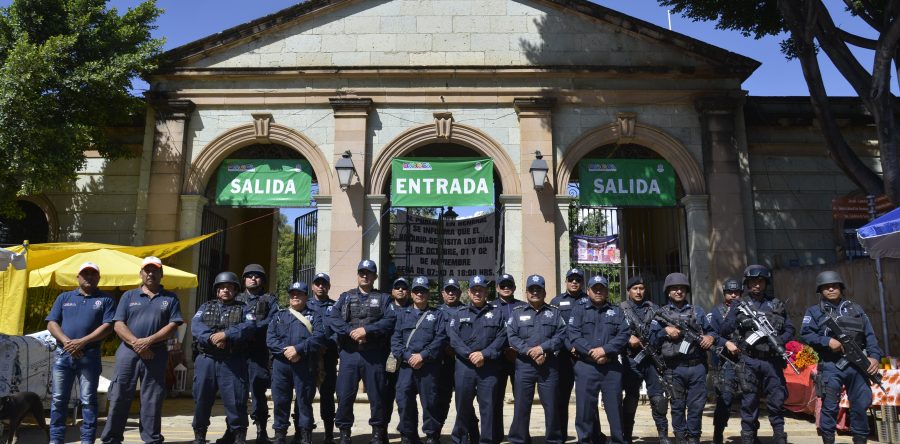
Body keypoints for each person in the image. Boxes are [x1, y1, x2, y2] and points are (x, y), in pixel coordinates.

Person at [101, 257, 184, 444]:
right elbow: (118, 324)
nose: (150, 274)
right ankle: (111, 439)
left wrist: (149, 341)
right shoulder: (128, 296)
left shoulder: (170, 298)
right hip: (128, 352)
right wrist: (138, 344)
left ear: (161, 274)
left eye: (155, 270)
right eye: (147, 270)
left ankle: (152, 439)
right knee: (119, 395)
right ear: (141, 274)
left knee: (152, 399)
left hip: (156, 353)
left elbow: (173, 325)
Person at [801, 271, 883, 444]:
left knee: (860, 405)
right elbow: (806, 335)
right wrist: (827, 341)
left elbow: (870, 335)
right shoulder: (814, 311)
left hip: (857, 366)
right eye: (826, 287)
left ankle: (860, 439)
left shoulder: (856, 309)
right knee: (830, 406)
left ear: (841, 288)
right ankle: (828, 440)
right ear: (820, 290)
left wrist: (875, 357)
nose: (831, 289)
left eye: (834, 286)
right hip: (831, 365)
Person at [720, 265, 794, 444]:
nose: (757, 285)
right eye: (753, 281)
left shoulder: (775, 304)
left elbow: (790, 329)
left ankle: (779, 436)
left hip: (772, 361)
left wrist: (779, 340)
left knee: (777, 401)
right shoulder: (739, 304)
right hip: (750, 360)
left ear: (766, 283)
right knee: (749, 402)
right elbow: (724, 329)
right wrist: (741, 321)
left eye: (760, 281)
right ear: (747, 284)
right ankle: (748, 437)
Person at [46, 262, 115, 444]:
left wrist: (82, 342)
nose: (89, 277)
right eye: (85, 273)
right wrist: (67, 343)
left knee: (88, 400)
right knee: (58, 399)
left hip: (89, 356)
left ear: (99, 278)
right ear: (78, 277)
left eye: (93, 274)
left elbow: (108, 326)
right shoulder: (64, 297)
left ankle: (87, 441)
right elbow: (52, 323)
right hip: (63, 354)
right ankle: (56, 440)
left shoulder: (106, 300)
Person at [328, 259, 396, 444]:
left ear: (375, 276)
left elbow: (390, 320)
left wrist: (367, 330)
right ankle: (344, 433)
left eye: (368, 273)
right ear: (358, 275)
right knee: (344, 395)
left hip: (374, 355)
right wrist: (351, 332)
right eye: (361, 273)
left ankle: (377, 433)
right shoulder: (345, 297)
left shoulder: (384, 299)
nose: (365, 276)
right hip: (350, 354)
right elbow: (333, 318)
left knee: (377, 396)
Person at [190, 271, 257, 444]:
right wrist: (212, 339)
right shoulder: (206, 306)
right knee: (202, 399)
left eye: (229, 287)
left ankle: (239, 436)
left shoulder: (244, 308)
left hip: (232, 361)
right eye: (222, 287)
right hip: (207, 359)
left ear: (235, 290)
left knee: (236, 400)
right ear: (217, 290)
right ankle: (199, 436)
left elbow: (250, 326)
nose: (226, 290)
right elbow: (196, 326)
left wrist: (226, 335)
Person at [651, 272, 717, 444]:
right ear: (668, 292)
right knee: (677, 406)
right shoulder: (660, 314)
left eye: (682, 288)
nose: (679, 291)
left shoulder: (697, 311)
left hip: (697, 366)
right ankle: (680, 438)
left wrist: (710, 338)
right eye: (674, 288)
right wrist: (664, 331)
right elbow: (651, 339)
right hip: (674, 368)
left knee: (696, 407)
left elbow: (711, 331)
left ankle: (694, 438)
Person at [567, 275, 629, 444]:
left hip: (611, 367)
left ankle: (618, 441)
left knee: (615, 410)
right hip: (586, 367)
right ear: (588, 291)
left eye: (602, 288)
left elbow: (624, 335)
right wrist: (591, 352)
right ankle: (585, 441)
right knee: (584, 411)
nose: (598, 291)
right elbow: (574, 335)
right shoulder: (579, 310)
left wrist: (604, 350)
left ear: (607, 291)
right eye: (595, 289)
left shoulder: (617, 311)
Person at [446, 275, 508, 444]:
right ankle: (459, 440)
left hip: (488, 368)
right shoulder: (459, 314)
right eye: (474, 290)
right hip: (465, 368)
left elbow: (502, 338)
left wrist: (484, 354)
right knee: (462, 407)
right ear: (469, 292)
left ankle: (486, 440)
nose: (478, 293)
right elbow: (454, 339)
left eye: (481, 290)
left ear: (487, 292)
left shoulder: (498, 314)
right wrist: (471, 355)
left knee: (488, 408)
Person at [505, 274, 566, 444]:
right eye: (531, 289)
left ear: (544, 292)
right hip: (525, 366)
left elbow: (561, 335)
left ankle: (553, 440)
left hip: (549, 365)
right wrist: (530, 351)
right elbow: (512, 336)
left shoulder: (554, 312)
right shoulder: (517, 313)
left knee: (552, 405)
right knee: (521, 406)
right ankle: (519, 439)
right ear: (526, 293)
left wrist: (543, 349)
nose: (535, 292)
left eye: (538, 289)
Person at [391, 276, 448, 444]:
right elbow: (396, 341)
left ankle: (431, 435)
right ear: (411, 294)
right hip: (406, 367)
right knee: (404, 401)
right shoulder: (402, 315)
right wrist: (408, 357)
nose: (420, 294)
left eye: (423, 291)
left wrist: (422, 356)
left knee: (430, 402)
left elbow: (440, 339)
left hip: (428, 367)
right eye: (416, 291)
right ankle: (408, 435)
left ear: (428, 294)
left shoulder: (437, 315)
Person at [267, 282, 325, 444]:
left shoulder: (315, 316)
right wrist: (287, 352)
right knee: (280, 401)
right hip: (281, 365)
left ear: (306, 296)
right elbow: (270, 339)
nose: (295, 296)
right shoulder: (279, 315)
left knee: (304, 401)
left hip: (304, 363)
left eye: (299, 294)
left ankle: (304, 436)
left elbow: (319, 337)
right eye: (292, 293)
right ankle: (280, 435)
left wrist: (298, 350)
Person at [619, 275, 671, 444]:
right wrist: (627, 338)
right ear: (628, 291)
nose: (638, 292)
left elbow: (668, 326)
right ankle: (627, 435)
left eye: (641, 288)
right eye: (635, 288)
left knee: (658, 399)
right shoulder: (621, 310)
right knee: (631, 398)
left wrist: (664, 331)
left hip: (652, 360)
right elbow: (613, 330)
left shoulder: (654, 308)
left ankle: (663, 436)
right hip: (631, 360)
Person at [235, 263, 280, 444]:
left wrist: (253, 328)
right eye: (249, 275)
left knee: (258, 393)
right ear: (244, 279)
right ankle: (234, 431)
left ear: (262, 280)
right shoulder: (236, 298)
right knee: (236, 393)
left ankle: (261, 431)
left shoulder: (269, 300)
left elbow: (274, 319)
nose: (253, 278)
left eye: (257, 275)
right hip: (238, 352)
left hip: (259, 353)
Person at [550, 267, 588, 438]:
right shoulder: (556, 302)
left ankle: (590, 435)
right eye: (571, 279)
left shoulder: (589, 300)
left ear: (582, 283)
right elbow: (556, 328)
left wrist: (581, 347)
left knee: (587, 398)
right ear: (565, 281)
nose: (574, 282)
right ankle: (560, 436)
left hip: (584, 356)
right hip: (563, 357)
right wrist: (569, 346)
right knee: (561, 397)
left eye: (578, 280)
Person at [708, 278, 744, 444]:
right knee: (725, 398)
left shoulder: (748, 310)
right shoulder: (717, 312)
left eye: (737, 292)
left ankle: (750, 434)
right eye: (730, 292)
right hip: (726, 361)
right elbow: (711, 334)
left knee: (750, 399)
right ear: (725, 294)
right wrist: (726, 343)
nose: (734, 295)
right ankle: (718, 433)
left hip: (747, 359)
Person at [307, 272, 338, 443]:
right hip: (308, 358)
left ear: (328, 286)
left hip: (328, 357)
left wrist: (328, 345)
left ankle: (329, 434)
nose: (321, 286)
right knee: (305, 395)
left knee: (327, 396)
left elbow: (339, 330)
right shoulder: (305, 305)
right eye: (317, 283)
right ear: (312, 286)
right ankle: (303, 432)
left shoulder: (335, 307)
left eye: (324, 284)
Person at [490, 273, 525, 401]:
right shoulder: (489, 307)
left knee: (521, 396)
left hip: (519, 356)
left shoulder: (524, 306)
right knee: (496, 397)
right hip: (497, 357)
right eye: (502, 285)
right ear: (497, 288)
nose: (506, 288)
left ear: (514, 287)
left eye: (509, 285)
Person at [434, 277, 464, 430]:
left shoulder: (467, 310)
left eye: (454, 291)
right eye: (448, 291)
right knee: (442, 399)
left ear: (459, 293)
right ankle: (435, 434)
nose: (451, 293)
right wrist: (445, 347)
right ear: (443, 293)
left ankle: (468, 433)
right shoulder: (435, 312)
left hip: (463, 361)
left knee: (464, 400)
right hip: (443, 362)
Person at [385, 277, 413, 427]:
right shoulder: (385, 308)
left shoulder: (414, 308)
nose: (401, 290)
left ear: (408, 292)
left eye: (404, 288)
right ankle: (382, 430)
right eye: (397, 287)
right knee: (386, 395)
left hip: (406, 359)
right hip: (386, 358)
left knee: (405, 396)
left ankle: (406, 428)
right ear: (392, 291)